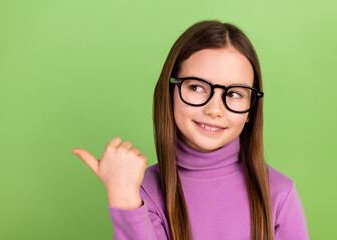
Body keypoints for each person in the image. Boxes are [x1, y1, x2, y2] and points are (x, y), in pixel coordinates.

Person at [72, 19, 309, 240]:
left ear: (250, 110)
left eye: (235, 93)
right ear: (170, 92)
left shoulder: (279, 193)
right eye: (196, 87)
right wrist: (123, 198)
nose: (214, 109)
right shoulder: (141, 191)